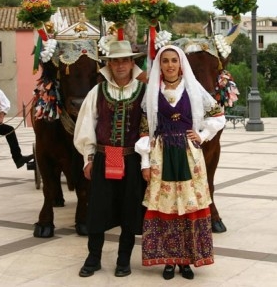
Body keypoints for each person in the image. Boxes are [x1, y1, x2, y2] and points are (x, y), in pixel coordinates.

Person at [135, 45, 226, 280]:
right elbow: (145, 130)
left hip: (188, 156)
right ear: (159, 65)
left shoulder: (193, 89)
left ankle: (187, 260)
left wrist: (203, 135)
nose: (170, 65)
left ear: (181, 63)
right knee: (165, 206)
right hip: (161, 155)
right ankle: (168, 260)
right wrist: (145, 162)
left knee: (189, 205)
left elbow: (217, 115)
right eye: (165, 61)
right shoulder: (152, 92)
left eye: (174, 60)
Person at [74, 40, 148, 278]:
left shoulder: (144, 91)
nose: (120, 65)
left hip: (133, 160)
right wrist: (88, 157)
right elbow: (87, 125)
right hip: (104, 158)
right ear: (109, 64)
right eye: (115, 60)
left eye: (125, 60)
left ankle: (123, 260)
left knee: (129, 210)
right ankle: (93, 258)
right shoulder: (97, 91)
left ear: (132, 62)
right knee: (97, 210)